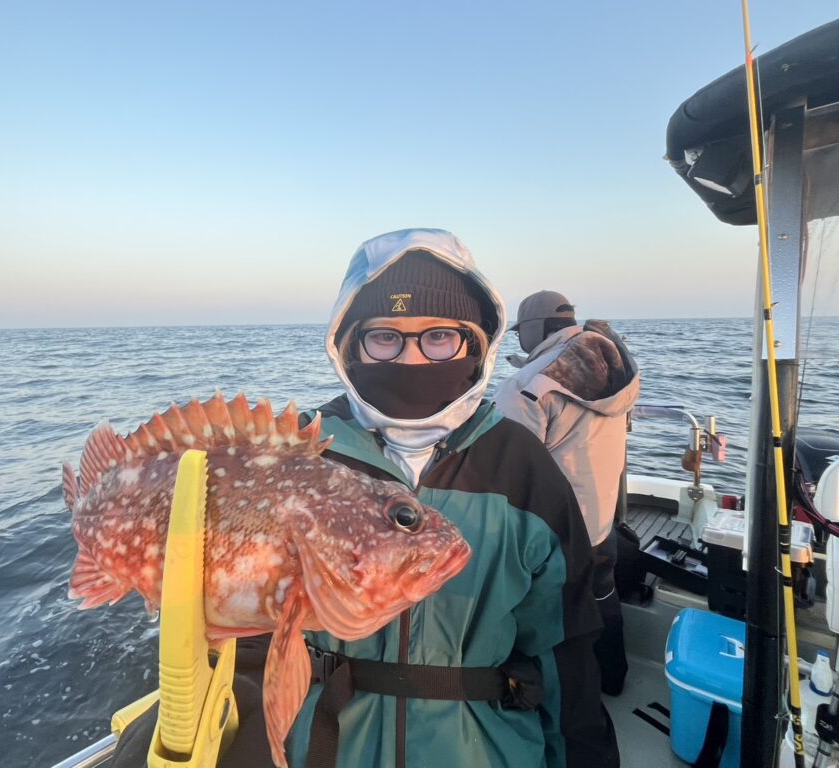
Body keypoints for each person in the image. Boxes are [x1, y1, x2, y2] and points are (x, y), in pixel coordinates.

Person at [110, 229, 619, 768]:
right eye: (384, 337)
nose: (412, 359)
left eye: (439, 337)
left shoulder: (523, 465)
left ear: (475, 344)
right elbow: (247, 644)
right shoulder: (301, 451)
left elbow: (566, 655)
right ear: (349, 345)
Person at [492, 291, 640, 697]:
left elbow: (508, 469)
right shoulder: (613, 366)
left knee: (552, 617)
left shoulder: (527, 385)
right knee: (603, 594)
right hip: (602, 520)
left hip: (556, 532)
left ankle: (566, 699)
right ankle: (613, 679)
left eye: (520, 332)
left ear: (534, 329)